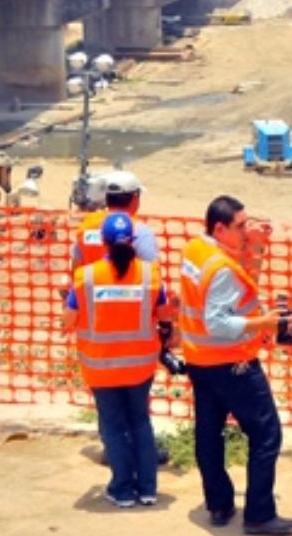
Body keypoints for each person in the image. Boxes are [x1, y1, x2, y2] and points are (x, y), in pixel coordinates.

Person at [179, 195, 292, 535]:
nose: (246, 230)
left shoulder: (195, 251)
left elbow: (231, 288)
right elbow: (218, 321)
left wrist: (256, 246)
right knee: (266, 434)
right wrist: (263, 324)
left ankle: (219, 504)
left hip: (199, 359)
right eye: (241, 226)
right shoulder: (221, 271)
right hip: (232, 363)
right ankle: (259, 514)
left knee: (208, 434)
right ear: (220, 228)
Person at [63, 212, 170, 508]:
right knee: (140, 422)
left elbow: (67, 321)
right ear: (133, 242)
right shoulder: (151, 275)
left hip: (101, 367)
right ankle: (148, 490)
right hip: (140, 366)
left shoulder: (85, 278)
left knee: (112, 426)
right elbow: (164, 316)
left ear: (104, 243)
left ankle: (122, 490)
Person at [73, 170, 158, 268]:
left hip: (93, 281)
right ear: (135, 198)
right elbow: (152, 274)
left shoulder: (87, 228)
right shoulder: (140, 232)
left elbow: (76, 266)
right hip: (127, 282)